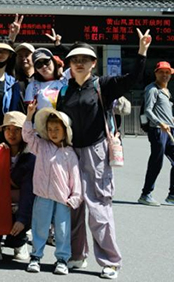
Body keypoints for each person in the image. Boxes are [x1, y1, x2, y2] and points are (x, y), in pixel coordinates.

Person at [55, 31, 150, 280]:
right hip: (71, 152)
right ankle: (77, 255)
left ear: (94, 63)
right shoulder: (64, 91)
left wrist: (142, 52)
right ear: (69, 63)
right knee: (73, 205)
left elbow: (132, 79)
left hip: (95, 152)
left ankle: (111, 261)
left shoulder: (103, 85)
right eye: (75, 59)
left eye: (85, 59)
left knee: (99, 207)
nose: (79, 63)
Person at [23, 101, 82, 275]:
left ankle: (62, 259)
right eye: (50, 129)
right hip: (42, 195)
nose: (53, 132)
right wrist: (29, 115)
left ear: (65, 131)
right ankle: (36, 256)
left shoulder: (69, 153)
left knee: (62, 230)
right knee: (39, 227)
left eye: (57, 129)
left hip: (63, 198)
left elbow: (75, 177)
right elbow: (27, 136)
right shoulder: (41, 146)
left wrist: (75, 197)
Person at [0, 111, 35, 262]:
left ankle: (19, 243)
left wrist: (22, 219)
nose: (11, 134)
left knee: (29, 213)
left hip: (20, 203)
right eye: (8, 129)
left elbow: (28, 191)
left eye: (17, 130)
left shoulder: (30, 157)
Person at [138, 61, 174, 206]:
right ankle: (145, 194)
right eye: (161, 72)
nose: (164, 75)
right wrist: (160, 123)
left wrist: (170, 120)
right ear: (156, 73)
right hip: (158, 130)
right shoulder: (152, 89)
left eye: (167, 72)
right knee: (156, 163)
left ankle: (172, 196)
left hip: (169, 130)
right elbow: (148, 110)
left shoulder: (166, 90)